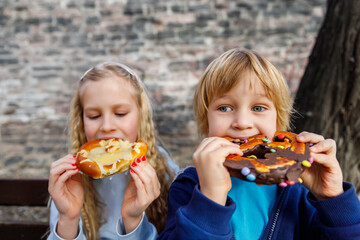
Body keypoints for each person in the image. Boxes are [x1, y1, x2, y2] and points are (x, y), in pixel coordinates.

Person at [158, 48, 360, 240]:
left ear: (278, 121)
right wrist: (209, 199)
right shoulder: (189, 187)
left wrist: (333, 200)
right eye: (225, 108)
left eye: (258, 107)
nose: (242, 123)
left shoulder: (299, 191)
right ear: (205, 120)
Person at [48, 62, 179, 240]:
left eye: (121, 113)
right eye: (94, 116)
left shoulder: (163, 167)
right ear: (81, 119)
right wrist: (68, 218)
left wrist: (133, 220)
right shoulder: (71, 179)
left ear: (140, 116)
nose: (107, 126)